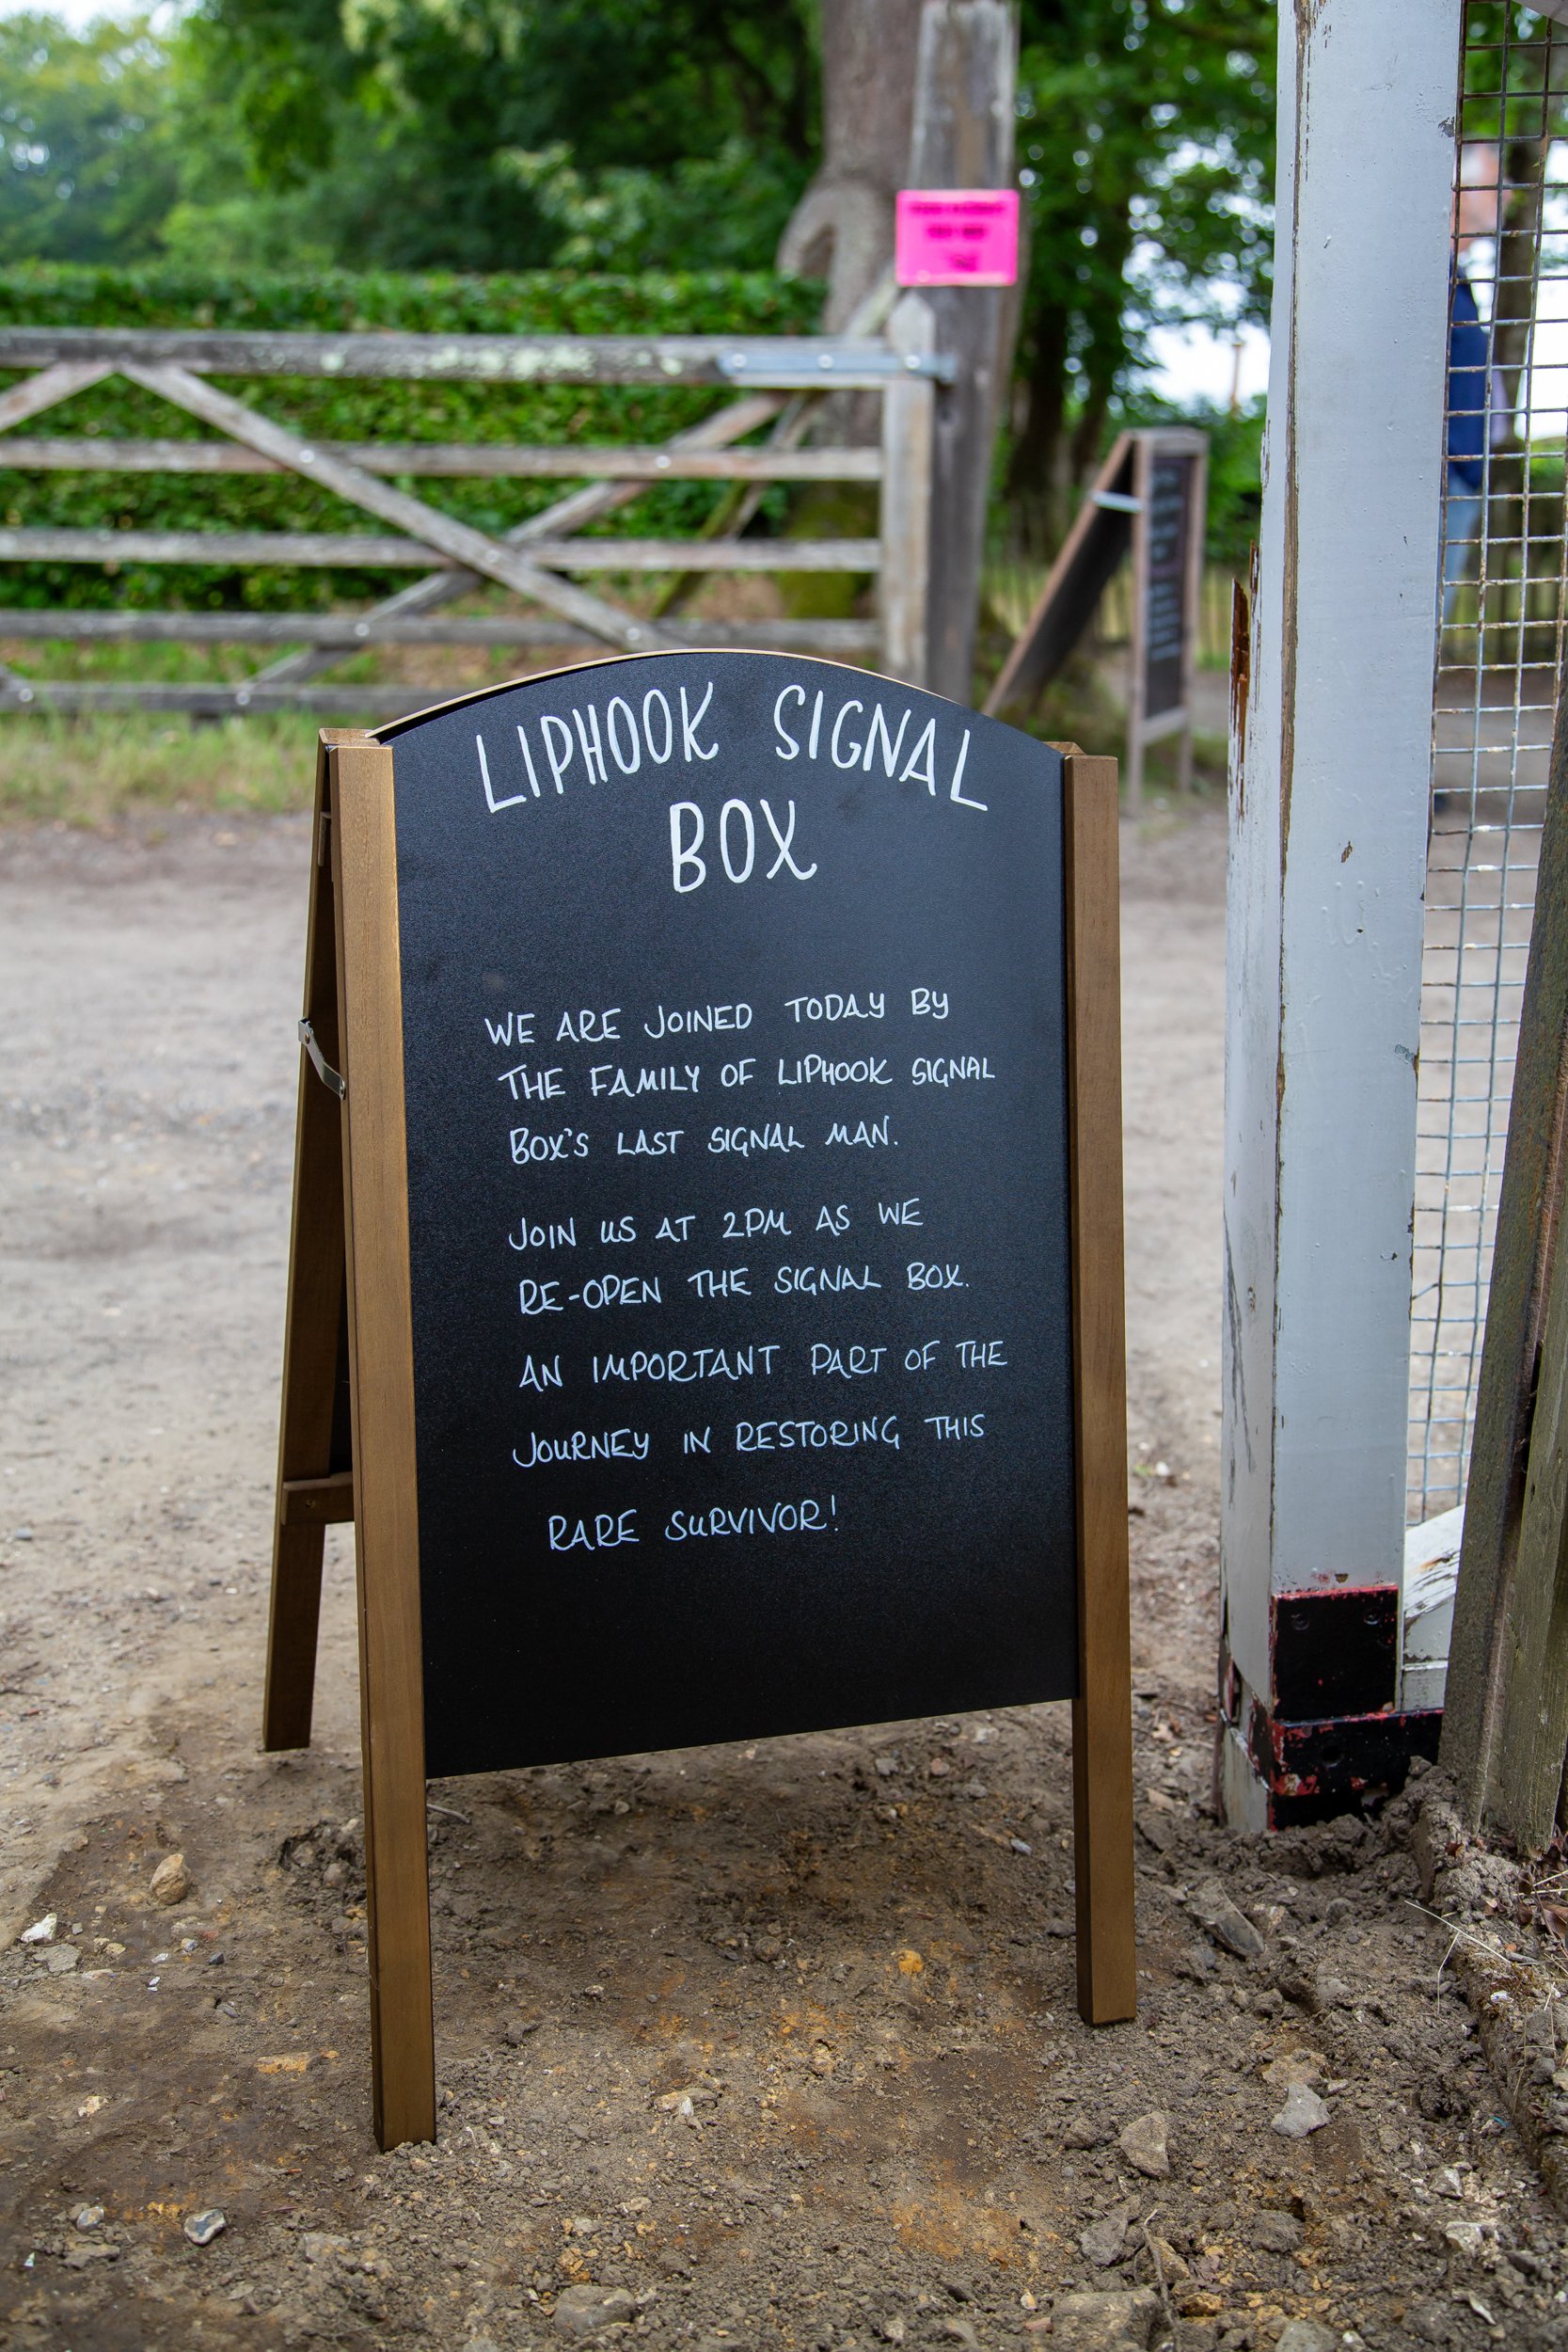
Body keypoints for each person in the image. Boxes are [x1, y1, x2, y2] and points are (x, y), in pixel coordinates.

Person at [1445, 149, 1505, 624]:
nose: (1507, 195)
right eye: (1495, 183)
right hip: (1443, 481)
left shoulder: (1457, 275)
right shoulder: (1432, 276)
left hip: (1461, 478)